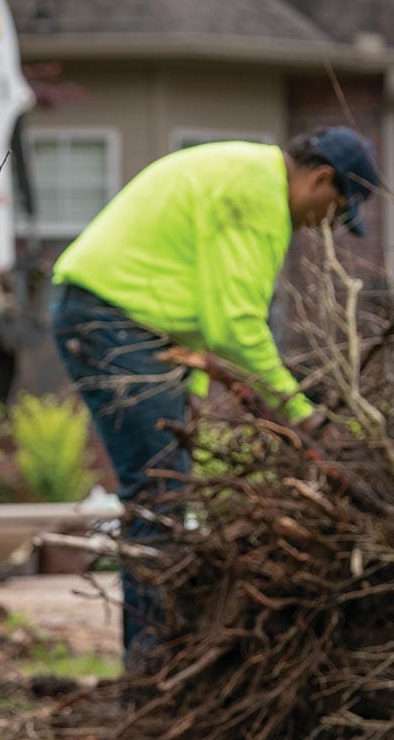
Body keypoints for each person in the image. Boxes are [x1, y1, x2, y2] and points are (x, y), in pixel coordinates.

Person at [49, 127, 380, 663]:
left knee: (168, 489)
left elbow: (197, 309)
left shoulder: (247, 175)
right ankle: (151, 672)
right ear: (321, 179)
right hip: (112, 320)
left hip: (121, 322)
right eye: (337, 209)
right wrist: (304, 415)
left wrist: (193, 397)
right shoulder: (258, 193)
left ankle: (156, 660)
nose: (328, 227)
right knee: (161, 494)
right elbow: (236, 327)